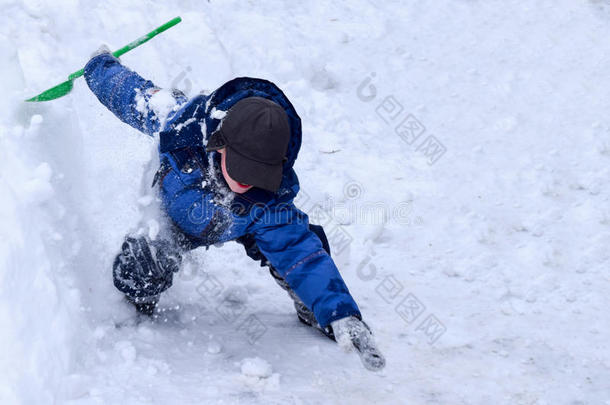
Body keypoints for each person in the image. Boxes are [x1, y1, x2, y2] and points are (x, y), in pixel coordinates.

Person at [83, 47, 385, 370]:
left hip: (245, 224)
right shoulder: (180, 128)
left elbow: (301, 253)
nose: (247, 185)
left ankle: (315, 306)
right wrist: (98, 66)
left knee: (299, 246)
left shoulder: (269, 201)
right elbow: (132, 95)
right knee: (141, 265)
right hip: (175, 221)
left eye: (260, 177)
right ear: (220, 143)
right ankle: (130, 305)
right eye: (242, 172)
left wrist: (342, 313)